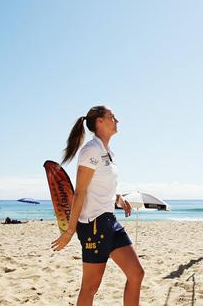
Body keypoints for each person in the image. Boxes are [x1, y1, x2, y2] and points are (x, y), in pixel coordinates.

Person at [51, 106, 144, 306]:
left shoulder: (108, 152)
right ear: (99, 122)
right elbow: (80, 191)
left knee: (136, 273)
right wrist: (69, 231)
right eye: (112, 116)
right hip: (93, 224)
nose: (117, 120)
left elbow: (101, 185)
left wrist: (119, 198)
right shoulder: (91, 150)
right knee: (90, 288)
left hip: (109, 221)